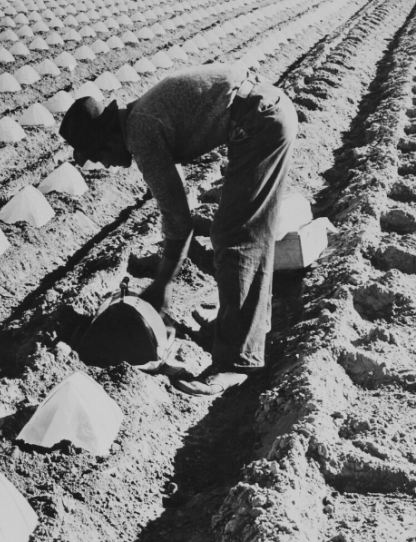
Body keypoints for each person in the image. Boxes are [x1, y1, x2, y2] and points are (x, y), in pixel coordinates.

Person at [59, 64, 298, 397]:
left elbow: (178, 220)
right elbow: (178, 205)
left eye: (98, 156)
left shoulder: (140, 133)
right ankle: (243, 328)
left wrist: (162, 284)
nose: (103, 165)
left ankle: (235, 362)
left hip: (258, 122)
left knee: (238, 239)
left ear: (110, 138)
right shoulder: (141, 117)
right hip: (262, 112)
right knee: (238, 231)